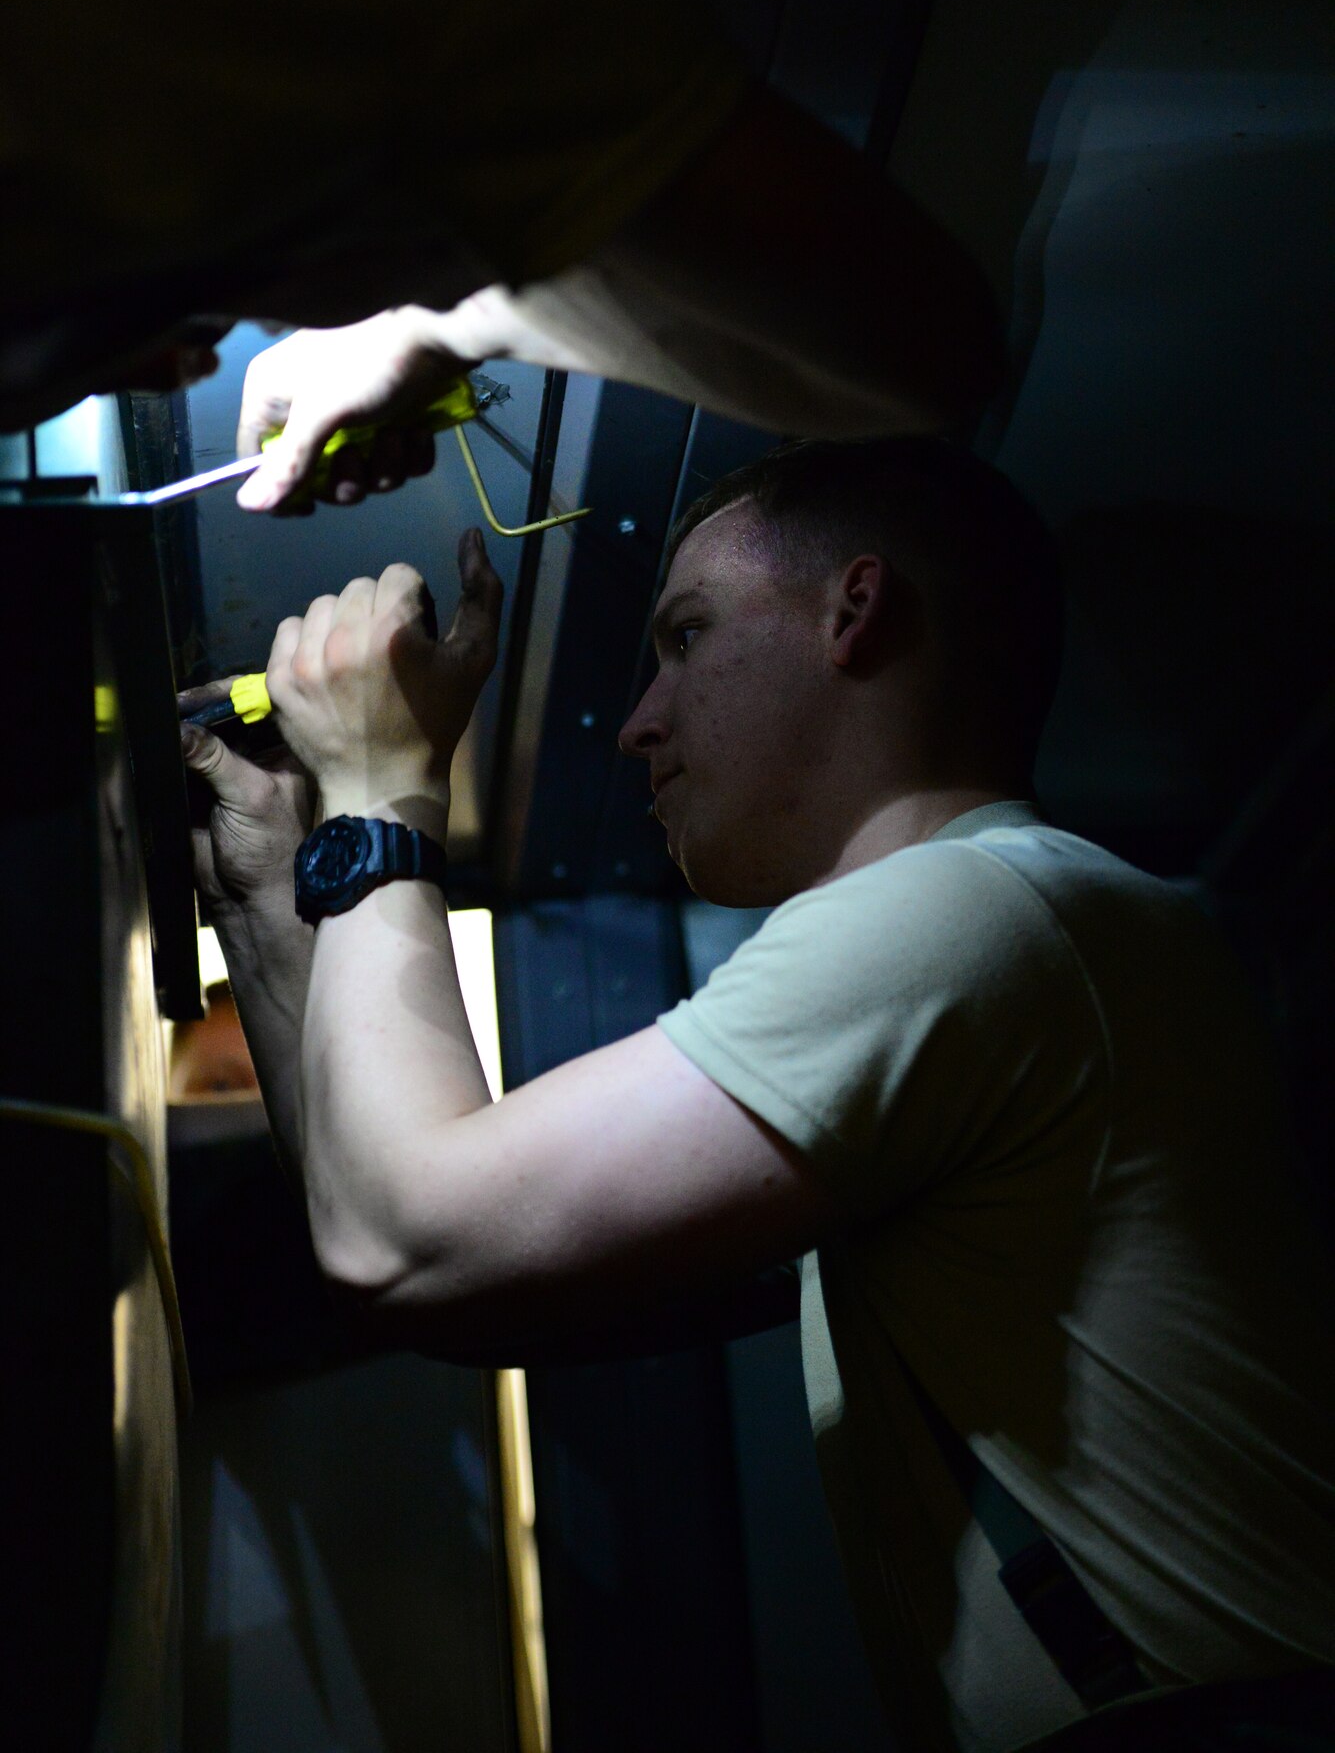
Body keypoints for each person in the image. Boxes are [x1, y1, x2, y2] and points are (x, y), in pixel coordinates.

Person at [181, 435, 1335, 1753]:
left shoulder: (971, 909)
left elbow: (416, 1237)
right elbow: (429, 1257)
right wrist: (270, 894)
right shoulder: (1010, 956)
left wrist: (385, 790)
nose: (635, 724)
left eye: (682, 636)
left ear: (852, 613)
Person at [2, 0, 1002, 508]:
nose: (197, 366)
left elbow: (919, 359)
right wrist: (447, 318)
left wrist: (451, 321)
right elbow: (919, 354)